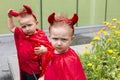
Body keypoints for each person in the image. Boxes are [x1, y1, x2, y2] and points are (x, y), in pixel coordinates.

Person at [8, 5, 52, 80]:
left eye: (29, 25)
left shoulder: (40, 36)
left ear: (36, 23)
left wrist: (44, 49)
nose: (27, 29)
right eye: (24, 26)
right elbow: (12, 28)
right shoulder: (21, 33)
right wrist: (9, 17)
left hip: (34, 71)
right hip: (23, 68)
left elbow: (51, 49)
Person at [42, 13, 86, 80]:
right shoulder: (50, 51)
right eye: (55, 39)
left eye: (64, 39)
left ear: (71, 39)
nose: (59, 43)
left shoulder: (71, 59)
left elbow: (76, 76)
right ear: (50, 37)